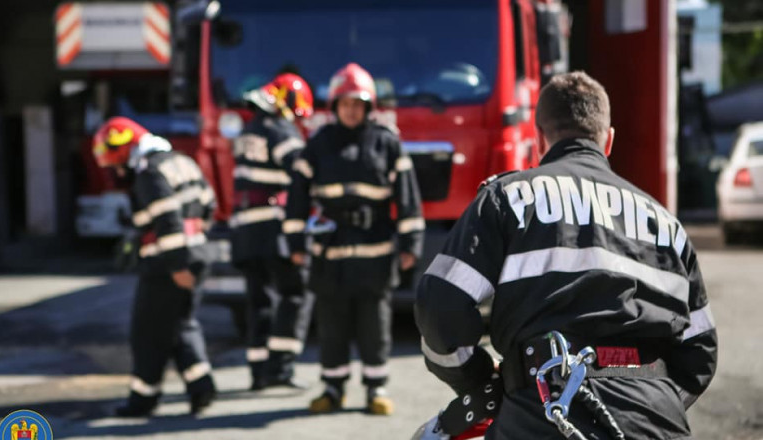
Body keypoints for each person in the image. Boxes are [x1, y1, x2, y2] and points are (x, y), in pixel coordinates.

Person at [414, 72, 717, 439]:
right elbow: (701, 351)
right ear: (608, 140)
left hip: (540, 415)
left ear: (538, 137)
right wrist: (653, 399)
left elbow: (440, 306)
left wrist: (481, 381)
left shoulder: (506, 199)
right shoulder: (667, 226)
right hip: (657, 421)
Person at [284, 63, 425, 415]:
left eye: (357, 104)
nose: (351, 110)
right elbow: (297, 196)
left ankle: (376, 388)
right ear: (335, 106)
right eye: (345, 103)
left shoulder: (386, 142)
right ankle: (333, 389)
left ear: (368, 107)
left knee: (374, 325)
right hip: (329, 253)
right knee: (331, 325)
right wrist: (295, 243)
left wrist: (411, 244)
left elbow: (407, 197)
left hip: (374, 251)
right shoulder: (318, 144)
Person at [92, 117, 218, 417]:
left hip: (167, 263)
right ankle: (201, 387)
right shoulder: (182, 161)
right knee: (180, 324)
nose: (118, 171)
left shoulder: (149, 172)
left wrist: (177, 266)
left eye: (117, 164)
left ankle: (143, 399)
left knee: (147, 332)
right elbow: (210, 204)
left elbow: (168, 220)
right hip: (197, 254)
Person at [230, 73, 315, 390]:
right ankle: (280, 369)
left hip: (245, 229)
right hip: (273, 229)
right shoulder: (280, 129)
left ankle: (258, 372)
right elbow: (301, 170)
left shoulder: (249, 128)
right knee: (296, 293)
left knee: (259, 301)